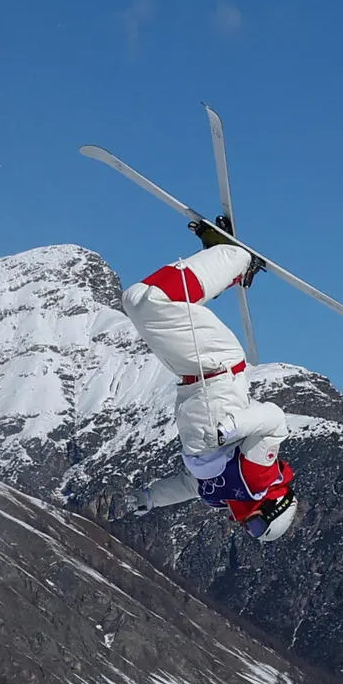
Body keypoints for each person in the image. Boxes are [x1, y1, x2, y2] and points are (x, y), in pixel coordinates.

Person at [118, 218, 298, 542]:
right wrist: (234, 427)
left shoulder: (220, 493)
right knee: (148, 303)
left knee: (148, 305)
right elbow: (275, 421)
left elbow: (188, 486)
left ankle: (221, 262)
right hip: (216, 365)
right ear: (274, 504)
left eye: (252, 532)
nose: (246, 526)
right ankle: (235, 257)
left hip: (192, 375)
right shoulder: (259, 478)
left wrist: (150, 498)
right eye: (257, 525)